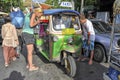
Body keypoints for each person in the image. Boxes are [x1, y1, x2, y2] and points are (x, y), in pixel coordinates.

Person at [22, 7, 43, 71]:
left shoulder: (28, 14)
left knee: (31, 50)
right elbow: (31, 25)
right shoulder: (33, 14)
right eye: (40, 14)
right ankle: (31, 67)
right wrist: (37, 22)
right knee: (30, 52)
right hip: (28, 34)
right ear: (37, 12)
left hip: (24, 33)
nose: (40, 15)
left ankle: (29, 64)